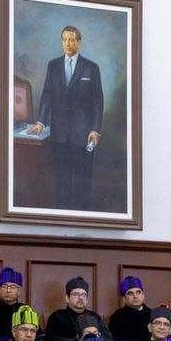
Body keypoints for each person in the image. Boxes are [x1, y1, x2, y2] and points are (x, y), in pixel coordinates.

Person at [27, 25, 104, 210]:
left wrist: (95, 129)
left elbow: (98, 102)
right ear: (61, 42)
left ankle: (82, 217)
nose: (68, 43)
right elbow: (47, 95)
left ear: (79, 42)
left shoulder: (91, 67)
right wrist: (40, 121)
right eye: (65, 40)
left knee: (82, 182)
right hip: (60, 134)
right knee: (61, 180)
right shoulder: (53, 65)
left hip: (83, 134)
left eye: (72, 40)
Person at [45, 277, 114, 341]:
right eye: (76, 294)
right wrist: (80, 340)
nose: (80, 298)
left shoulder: (95, 317)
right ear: (67, 298)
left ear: (87, 300)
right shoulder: (57, 317)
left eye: (84, 295)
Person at [108, 276, 151, 341]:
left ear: (143, 295)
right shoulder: (117, 316)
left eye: (138, 292)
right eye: (130, 293)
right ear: (124, 299)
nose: (135, 296)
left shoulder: (152, 314)